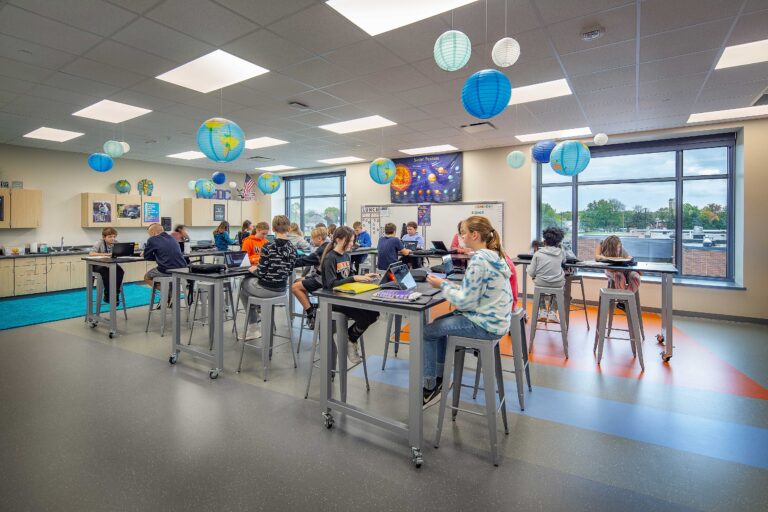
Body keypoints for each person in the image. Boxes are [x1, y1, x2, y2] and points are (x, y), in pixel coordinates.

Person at [422, 216, 513, 406]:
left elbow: (464, 303)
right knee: (438, 326)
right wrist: (449, 285)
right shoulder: (495, 255)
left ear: (474, 234)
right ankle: (439, 379)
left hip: (485, 324)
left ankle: (430, 386)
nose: (460, 236)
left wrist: (443, 285)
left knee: (428, 332)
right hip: (496, 319)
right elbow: (472, 295)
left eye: (463, 232)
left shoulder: (479, 261)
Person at [321, 226, 380, 363]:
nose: (352, 244)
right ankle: (350, 339)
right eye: (350, 241)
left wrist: (364, 276)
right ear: (338, 240)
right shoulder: (330, 258)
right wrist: (354, 279)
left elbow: (349, 274)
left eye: (353, 240)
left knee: (374, 312)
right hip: (334, 300)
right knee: (366, 316)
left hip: (346, 296)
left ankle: (350, 338)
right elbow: (331, 284)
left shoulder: (347, 255)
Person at [239, 215, 298, 338]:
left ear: (273, 228)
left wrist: (254, 270)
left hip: (267, 290)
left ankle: (253, 327)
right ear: (288, 228)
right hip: (282, 290)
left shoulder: (268, 246)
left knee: (243, 285)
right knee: (252, 283)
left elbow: (262, 272)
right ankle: (257, 311)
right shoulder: (293, 248)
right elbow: (290, 270)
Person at [291, 226, 330, 328]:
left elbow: (304, 261)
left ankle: (310, 312)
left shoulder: (321, 250)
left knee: (295, 287)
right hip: (324, 277)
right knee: (297, 281)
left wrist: (287, 263)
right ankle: (310, 306)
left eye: (312, 238)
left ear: (319, 238)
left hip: (323, 280)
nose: (311, 241)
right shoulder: (329, 246)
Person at [527, 228, 567, 323]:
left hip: (541, 283)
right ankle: (552, 312)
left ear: (544, 242)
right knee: (561, 287)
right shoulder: (561, 253)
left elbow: (531, 273)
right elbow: (564, 261)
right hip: (557, 283)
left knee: (538, 283)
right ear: (558, 243)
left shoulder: (537, 254)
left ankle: (543, 311)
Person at [596, 235, 641, 305]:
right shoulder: (602, 245)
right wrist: (608, 258)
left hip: (624, 269)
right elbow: (597, 257)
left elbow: (628, 257)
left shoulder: (620, 246)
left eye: (619, 247)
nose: (618, 249)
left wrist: (628, 259)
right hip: (611, 270)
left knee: (635, 277)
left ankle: (623, 302)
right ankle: (623, 302)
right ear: (611, 247)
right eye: (617, 248)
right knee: (619, 275)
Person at [142, 223, 187, 288]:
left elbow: (147, 257)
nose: (150, 236)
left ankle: (167, 293)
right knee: (170, 278)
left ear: (153, 232)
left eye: (150, 234)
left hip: (167, 270)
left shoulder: (152, 239)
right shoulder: (172, 238)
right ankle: (170, 292)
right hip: (182, 269)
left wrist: (144, 253)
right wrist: (161, 256)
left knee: (146, 277)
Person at [89, 227, 125, 305]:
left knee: (120, 271)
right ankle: (107, 294)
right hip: (97, 265)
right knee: (106, 271)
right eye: (110, 237)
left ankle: (115, 293)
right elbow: (91, 254)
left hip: (109, 265)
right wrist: (107, 254)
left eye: (114, 236)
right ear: (104, 237)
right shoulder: (99, 243)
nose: (113, 238)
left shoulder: (116, 243)